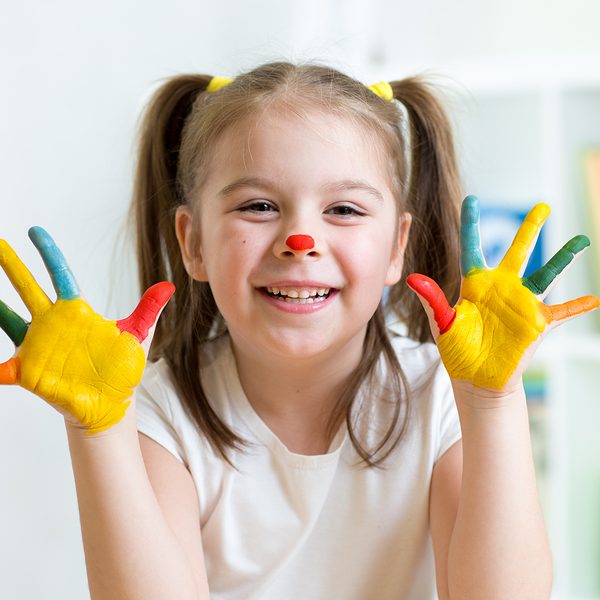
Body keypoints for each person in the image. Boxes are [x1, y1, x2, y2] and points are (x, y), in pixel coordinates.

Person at [1, 61, 598, 599]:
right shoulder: (160, 414)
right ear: (194, 242)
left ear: (396, 247)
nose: (300, 241)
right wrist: (98, 432)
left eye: (344, 209)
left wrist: (492, 402)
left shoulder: (440, 398)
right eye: (259, 206)